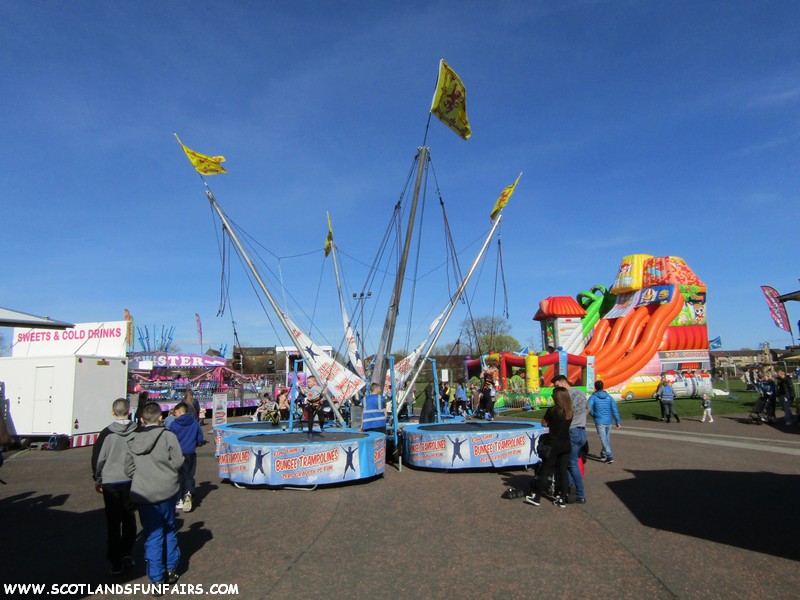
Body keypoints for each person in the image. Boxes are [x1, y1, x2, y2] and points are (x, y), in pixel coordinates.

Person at [126, 402, 184, 586]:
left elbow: (128, 468)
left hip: (144, 491)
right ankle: (171, 567)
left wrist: (142, 473)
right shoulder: (168, 436)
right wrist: (167, 472)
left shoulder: (133, 439)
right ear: (161, 417)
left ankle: (156, 577)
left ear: (142, 419)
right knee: (168, 528)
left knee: (153, 534)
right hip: (166, 489)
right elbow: (178, 461)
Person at [91, 398, 138, 575]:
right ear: (129, 411)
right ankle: (127, 552)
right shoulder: (137, 430)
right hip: (130, 479)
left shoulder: (106, 433)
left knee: (113, 522)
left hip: (111, 480)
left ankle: (115, 560)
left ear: (113, 412)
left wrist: (98, 479)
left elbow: (98, 459)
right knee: (129, 518)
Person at [524, 387, 573, 508]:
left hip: (553, 444)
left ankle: (537, 497)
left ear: (557, 398)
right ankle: (562, 498)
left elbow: (543, 423)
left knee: (545, 471)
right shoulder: (570, 411)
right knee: (563, 471)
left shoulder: (552, 411)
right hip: (566, 444)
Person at [553, 374, 587, 503]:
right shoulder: (580, 393)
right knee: (572, 462)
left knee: (570, 464)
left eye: (557, 386)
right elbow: (587, 409)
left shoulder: (566, 396)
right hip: (581, 430)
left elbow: (564, 415)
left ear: (564, 382)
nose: (556, 389)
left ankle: (578, 493)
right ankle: (571, 487)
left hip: (571, 431)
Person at [167, 402, 204, 513]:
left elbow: (170, 439)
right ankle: (188, 492)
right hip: (191, 452)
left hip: (178, 453)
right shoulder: (194, 422)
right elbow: (200, 437)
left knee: (179, 476)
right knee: (189, 474)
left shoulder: (174, 424)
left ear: (179, 411)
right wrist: (195, 444)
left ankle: (179, 499)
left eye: (176, 412)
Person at [588, 381, 622, 464]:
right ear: (603, 386)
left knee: (604, 439)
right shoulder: (609, 397)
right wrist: (617, 421)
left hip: (599, 421)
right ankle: (603, 454)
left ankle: (609, 456)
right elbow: (614, 409)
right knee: (606, 438)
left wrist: (594, 414)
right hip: (608, 420)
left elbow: (588, 407)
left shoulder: (593, 397)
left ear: (595, 387)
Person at [303, 375, 325, 440]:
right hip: (310, 405)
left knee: (321, 417)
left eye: (309, 382)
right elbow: (303, 392)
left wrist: (326, 386)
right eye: (308, 382)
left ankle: (321, 427)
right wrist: (300, 386)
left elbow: (324, 393)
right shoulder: (307, 389)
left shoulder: (317, 388)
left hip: (317, 405)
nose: (308, 383)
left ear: (314, 382)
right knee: (310, 419)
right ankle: (310, 432)